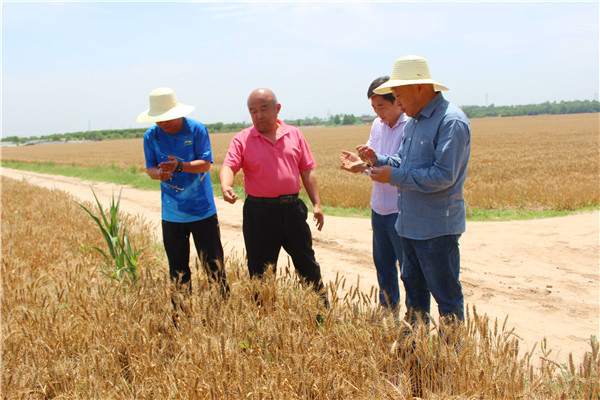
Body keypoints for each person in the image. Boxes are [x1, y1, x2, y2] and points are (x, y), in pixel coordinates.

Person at [355, 55, 471, 324]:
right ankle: (415, 356)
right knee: (415, 298)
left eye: (399, 95)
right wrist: (378, 159)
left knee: (447, 299)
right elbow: (404, 163)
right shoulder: (416, 120)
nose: (398, 103)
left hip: (436, 229)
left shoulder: (450, 121)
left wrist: (394, 176)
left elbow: (443, 176)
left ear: (419, 88)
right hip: (408, 226)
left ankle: (449, 360)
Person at [220, 88, 327, 306]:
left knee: (307, 263)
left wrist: (317, 203)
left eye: (264, 109)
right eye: (253, 111)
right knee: (260, 271)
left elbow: (307, 170)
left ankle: (320, 311)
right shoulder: (243, 139)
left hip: (292, 209)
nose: (258, 115)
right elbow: (229, 166)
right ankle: (265, 320)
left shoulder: (294, 134)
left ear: (277, 109)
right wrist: (225, 186)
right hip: (258, 213)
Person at [137, 87, 228, 303]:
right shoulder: (151, 136)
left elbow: (205, 164)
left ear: (178, 113)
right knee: (177, 268)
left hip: (202, 211)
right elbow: (149, 168)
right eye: (158, 120)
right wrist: (159, 173)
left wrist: (179, 166)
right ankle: (181, 314)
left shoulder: (196, 129)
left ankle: (223, 310)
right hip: (172, 214)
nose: (163, 124)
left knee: (213, 265)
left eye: (166, 119)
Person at [340, 76, 408, 311]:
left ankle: (414, 318)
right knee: (383, 265)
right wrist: (360, 163)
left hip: (402, 210)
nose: (378, 112)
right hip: (379, 207)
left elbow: (401, 166)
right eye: (373, 107)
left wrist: (368, 165)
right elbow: (372, 159)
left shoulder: (410, 126)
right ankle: (388, 313)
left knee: (407, 270)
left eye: (382, 106)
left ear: (398, 101)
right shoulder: (377, 125)